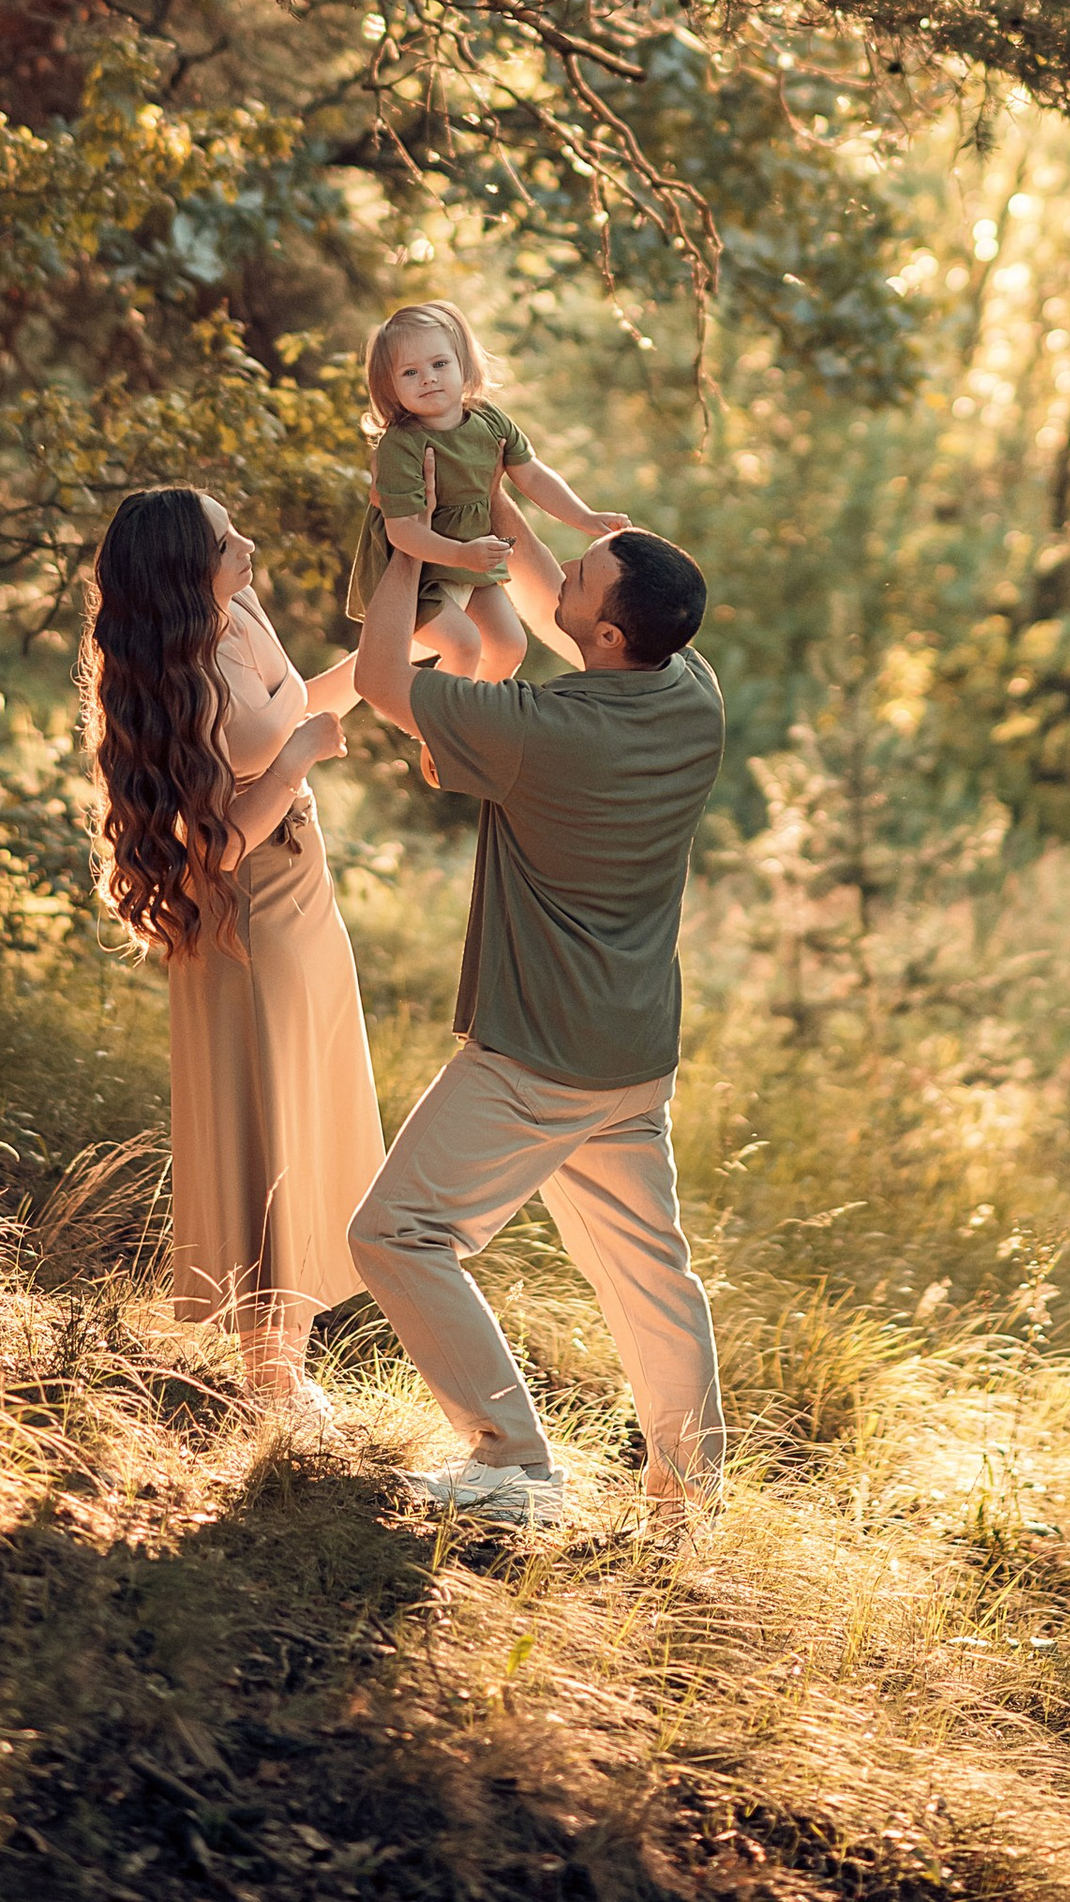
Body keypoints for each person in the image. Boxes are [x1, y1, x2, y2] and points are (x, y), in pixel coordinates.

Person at [347, 452, 726, 1530]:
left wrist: (404, 544)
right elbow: (564, 600)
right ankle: (688, 1501)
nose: (561, 573)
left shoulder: (539, 736)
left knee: (397, 1235)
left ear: (605, 634)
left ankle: (510, 1464)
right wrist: (487, 489)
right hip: (632, 1054)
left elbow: (382, 682)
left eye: (581, 576)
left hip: (538, 1056)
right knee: (651, 1278)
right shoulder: (691, 693)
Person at [84, 484, 383, 1416]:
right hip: (245, 910)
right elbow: (211, 846)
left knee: (309, 1105)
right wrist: (294, 763)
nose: (246, 544)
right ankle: (271, 1377)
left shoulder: (240, 611)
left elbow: (303, 703)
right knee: (269, 1120)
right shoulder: (174, 673)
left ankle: (284, 1365)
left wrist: (400, 651)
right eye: (225, 541)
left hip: (301, 888)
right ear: (186, 571)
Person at [343, 299, 630, 688]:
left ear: (463, 365)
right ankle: (436, 721)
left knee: (509, 645)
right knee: (464, 644)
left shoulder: (488, 419)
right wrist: (462, 554)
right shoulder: (401, 444)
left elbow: (533, 475)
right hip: (417, 574)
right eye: (410, 372)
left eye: (439, 364)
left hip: (470, 562)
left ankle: (474, 715)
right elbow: (403, 532)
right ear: (388, 386)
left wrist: (584, 517)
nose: (428, 378)